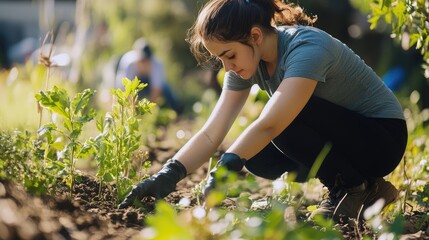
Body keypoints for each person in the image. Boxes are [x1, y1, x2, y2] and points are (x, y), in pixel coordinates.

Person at [119, 0, 408, 222]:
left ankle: (350, 188)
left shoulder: (306, 47)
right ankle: (369, 187)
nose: (227, 67)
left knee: (279, 121)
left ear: (255, 36)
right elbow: (211, 132)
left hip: (382, 138)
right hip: (349, 138)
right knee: (257, 155)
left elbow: (272, 122)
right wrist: (167, 175)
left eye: (229, 55)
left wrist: (224, 169)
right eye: (221, 59)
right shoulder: (245, 65)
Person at [115, 38, 183, 114]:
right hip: (134, 86)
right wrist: (133, 109)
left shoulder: (157, 64)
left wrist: (149, 110)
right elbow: (124, 89)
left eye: (146, 60)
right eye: (142, 60)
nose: (144, 63)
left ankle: (176, 110)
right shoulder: (128, 63)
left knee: (166, 87)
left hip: (148, 84)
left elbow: (156, 90)